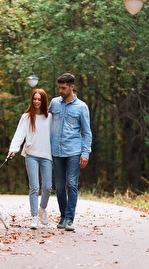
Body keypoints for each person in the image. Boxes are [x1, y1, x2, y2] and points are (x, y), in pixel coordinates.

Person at [49, 73, 92, 231]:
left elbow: (87, 132)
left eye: (63, 88)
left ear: (72, 87)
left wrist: (85, 153)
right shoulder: (54, 103)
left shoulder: (81, 107)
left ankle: (70, 219)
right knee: (59, 187)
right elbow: (44, 121)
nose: (60, 90)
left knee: (72, 184)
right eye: (59, 87)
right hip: (56, 150)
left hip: (74, 150)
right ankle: (63, 216)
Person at [8, 89, 52, 229]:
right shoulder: (26, 117)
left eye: (39, 99)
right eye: (35, 99)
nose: (37, 101)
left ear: (44, 101)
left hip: (46, 156)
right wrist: (13, 150)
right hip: (31, 155)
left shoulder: (49, 117)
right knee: (34, 187)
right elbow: (19, 134)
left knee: (47, 187)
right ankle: (34, 217)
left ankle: (42, 209)